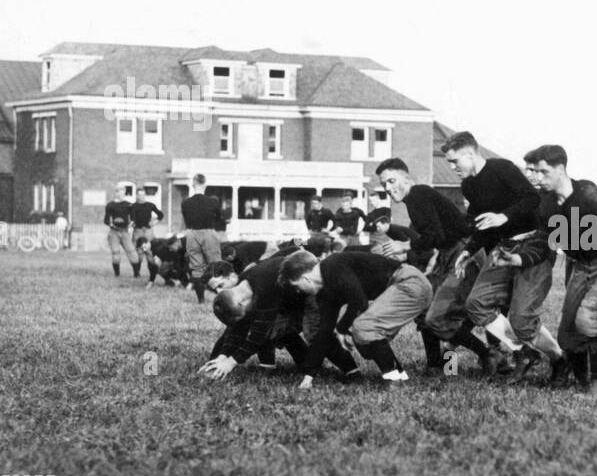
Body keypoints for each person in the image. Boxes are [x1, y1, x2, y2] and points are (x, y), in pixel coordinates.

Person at [513, 145, 597, 391]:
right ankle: (593, 370)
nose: (538, 179)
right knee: (567, 339)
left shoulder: (588, 195)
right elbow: (546, 237)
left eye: (543, 172)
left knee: (586, 319)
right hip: (580, 265)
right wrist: (518, 254)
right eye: (534, 172)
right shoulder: (546, 203)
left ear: (561, 168)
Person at [422, 131, 541, 379]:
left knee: (496, 312)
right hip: (490, 253)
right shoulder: (468, 186)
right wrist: (467, 251)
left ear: (469, 153)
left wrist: (503, 217)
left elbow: (532, 198)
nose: (452, 167)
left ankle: (515, 358)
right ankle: (453, 368)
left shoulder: (502, 168)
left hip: (521, 248)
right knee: (460, 315)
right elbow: (478, 226)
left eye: (455, 161)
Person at [198, 243, 360, 382]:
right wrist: (220, 357)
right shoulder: (243, 289)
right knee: (279, 330)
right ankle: (306, 363)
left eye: (219, 285)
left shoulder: (261, 289)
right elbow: (237, 326)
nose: (219, 291)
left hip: (310, 287)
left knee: (314, 332)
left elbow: (258, 333)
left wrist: (232, 362)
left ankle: (351, 370)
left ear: (231, 275)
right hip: (293, 294)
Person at [377, 157, 477, 375]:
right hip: (447, 255)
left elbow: (436, 235)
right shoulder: (414, 200)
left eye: (392, 181)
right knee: (425, 309)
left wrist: (404, 246)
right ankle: (435, 365)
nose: (388, 188)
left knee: (442, 315)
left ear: (406, 176)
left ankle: (491, 355)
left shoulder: (418, 195)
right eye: (384, 184)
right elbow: (435, 239)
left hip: (464, 255)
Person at [281, 248, 433, 389]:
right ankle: (400, 375)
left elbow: (359, 301)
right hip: (401, 287)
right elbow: (324, 332)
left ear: (305, 278)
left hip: (410, 282)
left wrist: (342, 329)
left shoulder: (331, 265)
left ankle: (401, 380)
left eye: (296, 286)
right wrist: (309, 376)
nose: (298, 291)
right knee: (363, 341)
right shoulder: (324, 292)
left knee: (365, 326)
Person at [181, 173, 226, 303]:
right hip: (208, 232)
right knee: (216, 264)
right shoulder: (213, 201)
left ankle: (201, 300)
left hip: (192, 234)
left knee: (196, 268)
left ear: (193, 184)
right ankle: (221, 297)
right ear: (205, 184)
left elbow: (186, 221)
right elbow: (219, 218)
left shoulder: (185, 203)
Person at [103, 187, 140, 278]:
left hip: (125, 231)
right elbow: (106, 220)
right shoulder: (110, 205)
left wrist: (130, 225)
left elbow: (133, 219)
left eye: (123, 193)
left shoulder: (129, 205)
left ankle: (136, 273)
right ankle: (117, 274)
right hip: (114, 232)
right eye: (119, 192)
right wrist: (112, 225)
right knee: (115, 252)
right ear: (116, 193)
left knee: (132, 252)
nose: (121, 194)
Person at [130, 189, 165, 276]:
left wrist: (154, 222)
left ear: (145, 195)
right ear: (136, 196)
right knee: (139, 253)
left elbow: (160, 215)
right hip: (138, 231)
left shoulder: (150, 205)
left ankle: (152, 273)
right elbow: (132, 218)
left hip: (148, 231)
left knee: (150, 252)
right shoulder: (133, 206)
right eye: (139, 195)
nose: (141, 197)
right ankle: (136, 273)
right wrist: (131, 224)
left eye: (143, 195)